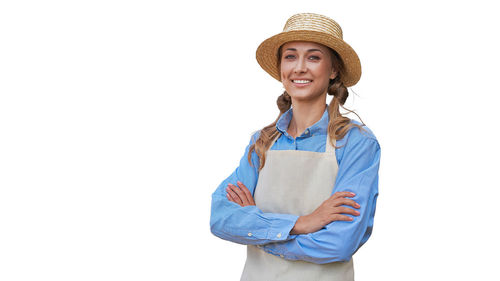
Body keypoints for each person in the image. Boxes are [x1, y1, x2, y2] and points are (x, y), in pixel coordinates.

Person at [210, 13, 381, 281]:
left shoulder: (356, 143)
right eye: (290, 56)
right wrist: (302, 223)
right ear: (281, 68)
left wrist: (260, 233)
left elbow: (341, 241)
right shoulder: (261, 143)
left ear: (333, 70)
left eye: (313, 57)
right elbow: (221, 217)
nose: (299, 67)